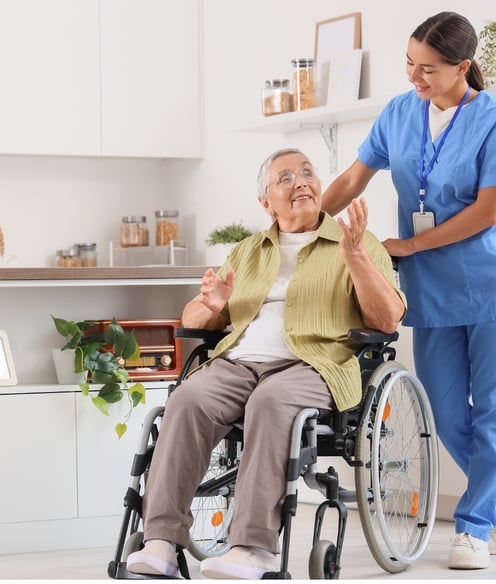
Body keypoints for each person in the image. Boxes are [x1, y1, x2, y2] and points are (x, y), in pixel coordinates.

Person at [126, 148, 406, 579]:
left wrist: (355, 259)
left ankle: (254, 549)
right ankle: (161, 541)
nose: (301, 181)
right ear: (266, 202)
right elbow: (193, 318)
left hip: (314, 364)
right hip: (239, 364)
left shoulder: (357, 241)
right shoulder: (247, 251)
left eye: (308, 173)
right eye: (285, 177)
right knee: (186, 399)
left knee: (270, 400)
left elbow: (387, 320)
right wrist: (213, 306)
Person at [320, 11, 496, 571]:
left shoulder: (491, 119)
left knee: (492, 413)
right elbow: (353, 179)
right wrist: (302, 223)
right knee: (444, 413)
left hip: (487, 282)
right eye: (409, 63)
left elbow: (488, 210)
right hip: (430, 288)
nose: (414, 76)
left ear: (462, 67)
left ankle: (475, 527)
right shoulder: (399, 112)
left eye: (428, 68)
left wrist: (412, 244)